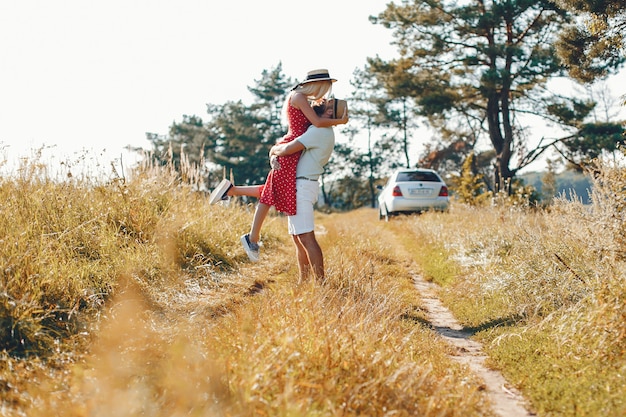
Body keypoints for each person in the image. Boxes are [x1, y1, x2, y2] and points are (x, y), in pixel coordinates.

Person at [209, 69, 347, 261]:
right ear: (316, 85)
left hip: (293, 147)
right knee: (271, 193)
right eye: (323, 89)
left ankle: (232, 192)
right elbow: (316, 121)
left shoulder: (301, 98)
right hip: (292, 149)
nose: (323, 94)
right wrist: (340, 121)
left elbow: (314, 123)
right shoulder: (298, 96)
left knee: (274, 189)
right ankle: (252, 237)